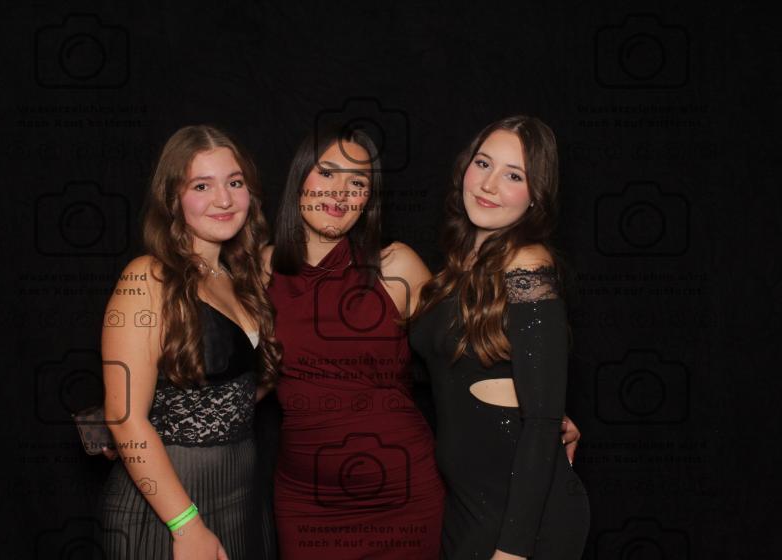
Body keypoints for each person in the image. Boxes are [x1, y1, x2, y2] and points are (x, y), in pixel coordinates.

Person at [260, 124, 582, 559]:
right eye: (328, 172)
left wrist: (544, 413)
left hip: (411, 495)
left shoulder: (401, 265)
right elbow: (459, 345)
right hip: (311, 499)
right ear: (299, 176)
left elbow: (482, 350)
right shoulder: (260, 268)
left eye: (357, 183)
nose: (339, 192)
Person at [408, 116, 590, 559]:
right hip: (468, 505)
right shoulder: (460, 269)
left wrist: (512, 551)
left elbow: (542, 420)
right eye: (483, 163)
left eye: (514, 176)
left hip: (522, 521)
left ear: (536, 195)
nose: (489, 184)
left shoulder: (528, 267)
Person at [99, 125, 280, 559]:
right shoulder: (148, 277)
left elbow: (240, 387)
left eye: (234, 182)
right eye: (202, 186)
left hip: (243, 493)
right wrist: (186, 526)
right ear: (172, 199)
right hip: (169, 506)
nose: (224, 199)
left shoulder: (243, 278)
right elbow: (124, 418)